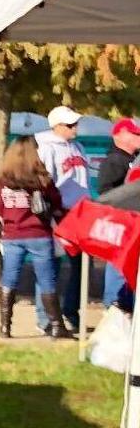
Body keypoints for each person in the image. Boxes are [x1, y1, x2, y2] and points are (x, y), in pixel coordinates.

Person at [0, 136, 67, 339]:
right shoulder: (41, 179)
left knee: (9, 279)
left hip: (11, 235)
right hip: (38, 233)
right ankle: (56, 326)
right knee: (46, 280)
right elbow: (56, 201)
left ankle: (5, 327)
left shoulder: (3, 180)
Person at [34, 106, 90, 334]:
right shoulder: (46, 148)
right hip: (58, 214)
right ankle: (45, 318)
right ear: (56, 126)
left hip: (80, 213)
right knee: (51, 266)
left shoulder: (78, 147)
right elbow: (44, 183)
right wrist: (52, 211)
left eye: (75, 123)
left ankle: (71, 312)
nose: (74, 128)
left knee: (81, 266)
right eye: (70, 125)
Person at [97, 118, 140, 310]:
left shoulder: (132, 159)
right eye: (135, 134)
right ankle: (113, 307)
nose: (139, 137)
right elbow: (105, 192)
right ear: (119, 136)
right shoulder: (113, 161)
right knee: (118, 265)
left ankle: (124, 305)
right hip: (121, 221)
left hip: (133, 222)